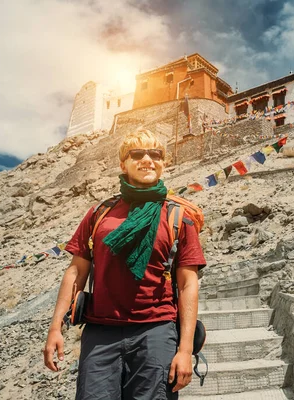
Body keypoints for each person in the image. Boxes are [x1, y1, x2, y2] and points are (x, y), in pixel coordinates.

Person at [43, 128, 206, 399]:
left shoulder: (178, 216)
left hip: (156, 331)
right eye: (137, 154)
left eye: (155, 154)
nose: (147, 159)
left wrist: (185, 350)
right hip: (100, 332)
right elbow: (76, 271)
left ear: (163, 163)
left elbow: (188, 283)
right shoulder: (100, 213)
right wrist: (55, 328)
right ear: (123, 164)